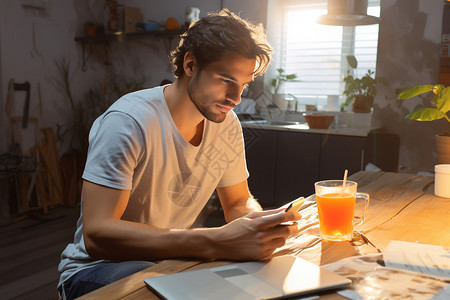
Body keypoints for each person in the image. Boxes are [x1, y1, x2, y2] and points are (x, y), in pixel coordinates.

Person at [57, 9, 302, 300]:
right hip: (97, 270)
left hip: (173, 260)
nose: (236, 98)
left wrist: (255, 224)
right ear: (190, 64)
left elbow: (237, 200)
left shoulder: (226, 124)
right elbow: (97, 235)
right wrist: (215, 240)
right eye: (226, 80)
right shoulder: (128, 121)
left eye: (244, 85)